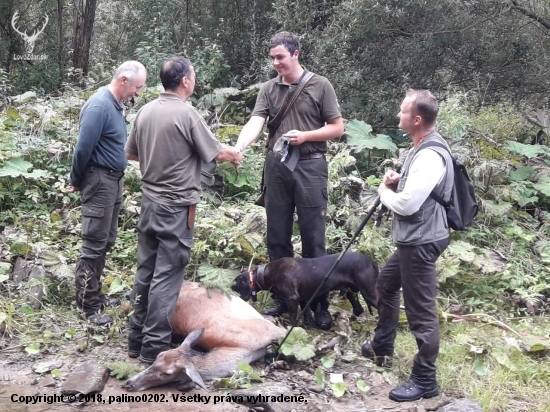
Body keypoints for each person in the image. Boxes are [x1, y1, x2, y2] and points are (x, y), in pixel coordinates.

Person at [125, 57, 242, 364]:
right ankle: (154, 347)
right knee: (167, 277)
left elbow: (132, 153)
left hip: (148, 203)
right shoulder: (187, 114)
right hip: (176, 209)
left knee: (145, 272)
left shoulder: (146, 111)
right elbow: (214, 151)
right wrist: (234, 154)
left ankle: (135, 340)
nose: (194, 80)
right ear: (185, 81)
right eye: (193, 76)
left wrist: (159, 162)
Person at [234, 31, 344, 329]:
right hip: (277, 168)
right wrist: (239, 146)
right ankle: (284, 299)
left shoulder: (320, 85)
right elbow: (255, 121)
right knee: (277, 236)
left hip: (310, 166)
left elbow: (337, 127)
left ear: (296, 54)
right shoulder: (268, 89)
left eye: (280, 57)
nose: (276, 63)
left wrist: (306, 136)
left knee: (313, 239)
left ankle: (318, 304)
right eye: (272, 58)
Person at [361, 89, 454, 402]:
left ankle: (425, 380)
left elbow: (408, 205)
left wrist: (383, 192)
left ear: (416, 119)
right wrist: (398, 179)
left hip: (421, 241)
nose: (398, 116)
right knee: (386, 286)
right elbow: (418, 189)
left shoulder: (429, 153)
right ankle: (382, 346)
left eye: (402, 112)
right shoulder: (420, 147)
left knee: (422, 314)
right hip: (414, 239)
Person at [68, 61, 147, 326]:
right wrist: (76, 179)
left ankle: (95, 294)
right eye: (136, 87)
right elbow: (82, 148)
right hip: (98, 179)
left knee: (106, 239)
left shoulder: (116, 105)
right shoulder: (100, 105)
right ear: (123, 80)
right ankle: (88, 306)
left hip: (113, 180)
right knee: (93, 243)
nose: (137, 93)